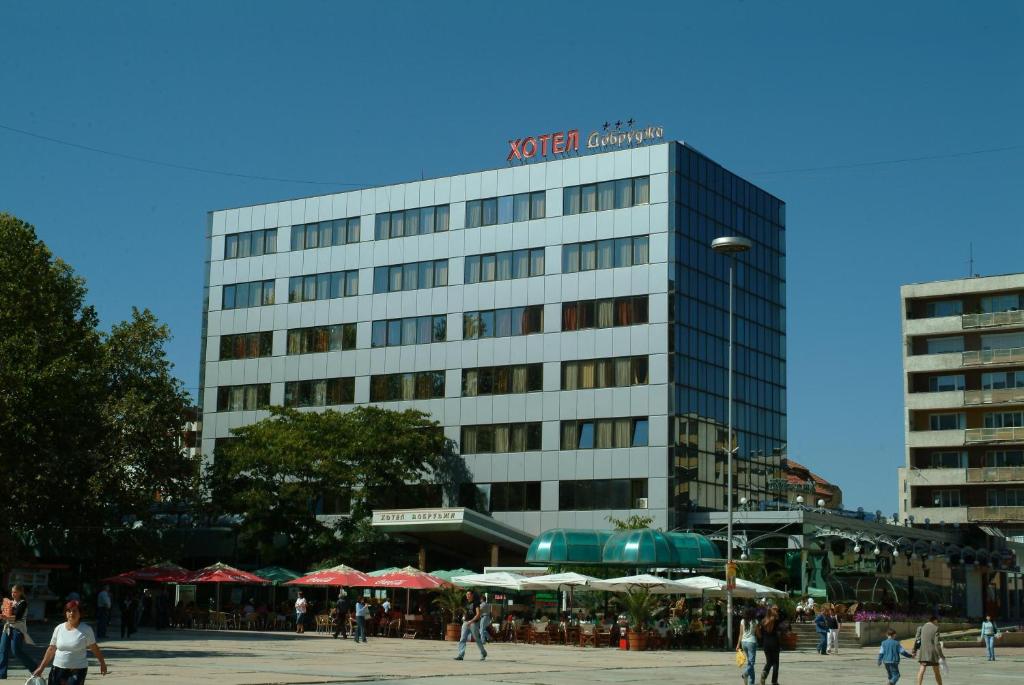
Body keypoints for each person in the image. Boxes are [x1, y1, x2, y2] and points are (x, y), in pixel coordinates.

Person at [32, 600, 107, 684]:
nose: (71, 613)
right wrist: (41, 668)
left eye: (75, 611)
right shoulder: (59, 628)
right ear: (65, 613)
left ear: (80, 613)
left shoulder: (86, 629)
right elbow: (51, 649)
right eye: (69, 611)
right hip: (57, 668)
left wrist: (102, 663)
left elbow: (94, 648)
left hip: (77, 670)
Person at [0, 584, 39, 679]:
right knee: (3, 650)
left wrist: (5, 616)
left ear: (20, 592)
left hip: (18, 629)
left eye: (15, 592)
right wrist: (2, 614)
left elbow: (17, 617)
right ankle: (2, 674)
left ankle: (35, 668)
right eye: (12, 592)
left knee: (16, 651)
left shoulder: (23, 603)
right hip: (7, 628)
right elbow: (4, 614)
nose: (13, 594)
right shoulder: (9, 602)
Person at [453, 590, 487, 662]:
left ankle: (483, 653)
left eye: (468, 594)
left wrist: (471, 621)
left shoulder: (476, 603)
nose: (467, 596)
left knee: (477, 639)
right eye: (466, 594)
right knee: (462, 638)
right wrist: (464, 618)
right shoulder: (466, 603)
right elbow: (466, 612)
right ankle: (461, 655)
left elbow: (478, 615)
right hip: (466, 622)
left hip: (473, 623)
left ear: (472, 595)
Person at [912, 616, 944, 685]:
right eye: (937, 622)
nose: (937, 623)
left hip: (923, 652)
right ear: (934, 621)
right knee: (936, 671)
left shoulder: (921, 628)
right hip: (933, 653)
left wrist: (914, 651)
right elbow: (936, 643)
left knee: (922, 669)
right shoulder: (936, 628)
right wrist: (941, 655)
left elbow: (917, 640)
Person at [759, 606, 781, 685]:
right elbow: (778, 618)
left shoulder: (763, 621)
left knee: (769, 661)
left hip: (766, 643)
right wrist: (775, 613)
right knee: (775, 663)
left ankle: (764, 673)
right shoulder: (775, 620)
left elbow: (760, 631)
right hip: (774, 642)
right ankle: (774, 681)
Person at [736, 607, 757, 685]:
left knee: (750, 663)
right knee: (751, 663)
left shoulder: (742, 621)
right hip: (752, 642)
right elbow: (757, 633)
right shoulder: (755, 621)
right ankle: (745, 674)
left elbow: (740, 634)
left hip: (743, 642)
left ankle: (751, 683)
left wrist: (738, 645)